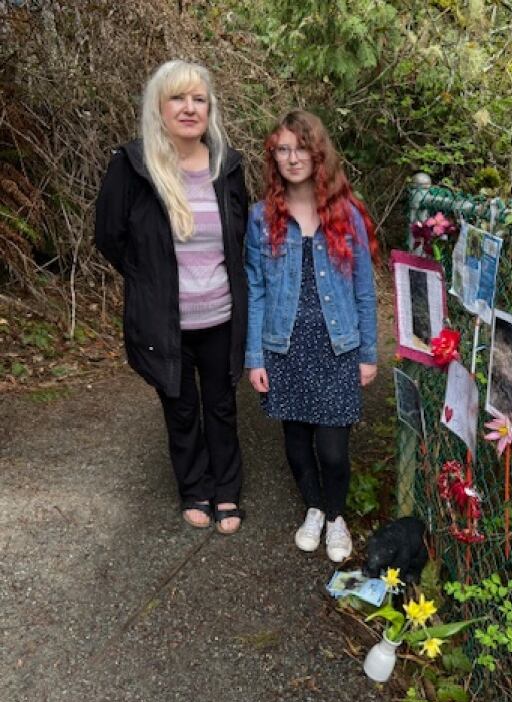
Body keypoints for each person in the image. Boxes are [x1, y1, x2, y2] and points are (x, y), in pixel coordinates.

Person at [95, 60, 248, 534]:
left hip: (221, 317)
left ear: (210, 108)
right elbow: (109, 236)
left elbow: (241, 236)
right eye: (178, 98)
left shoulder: (229, 164)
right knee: (180, 408)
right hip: (165, 322)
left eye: (198, 99)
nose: (189, 108)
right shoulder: (133, 166)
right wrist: (149, 282)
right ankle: (194, 488)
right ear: (159, 107)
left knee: (221, 407)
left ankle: (227, 491)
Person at [245, 110, 378, 562]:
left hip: (337, 347)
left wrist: (368, 353)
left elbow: (364, 288)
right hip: (284, 346)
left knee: (333, 450)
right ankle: (315, 508)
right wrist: (255, 357)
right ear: (273, 157)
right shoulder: (261, 218)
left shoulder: (347, 215)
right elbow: (257, 291)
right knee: (297, 442)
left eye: (300, 148)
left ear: (317, 153)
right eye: (282, 149)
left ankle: (337, 516)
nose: (291, 157)